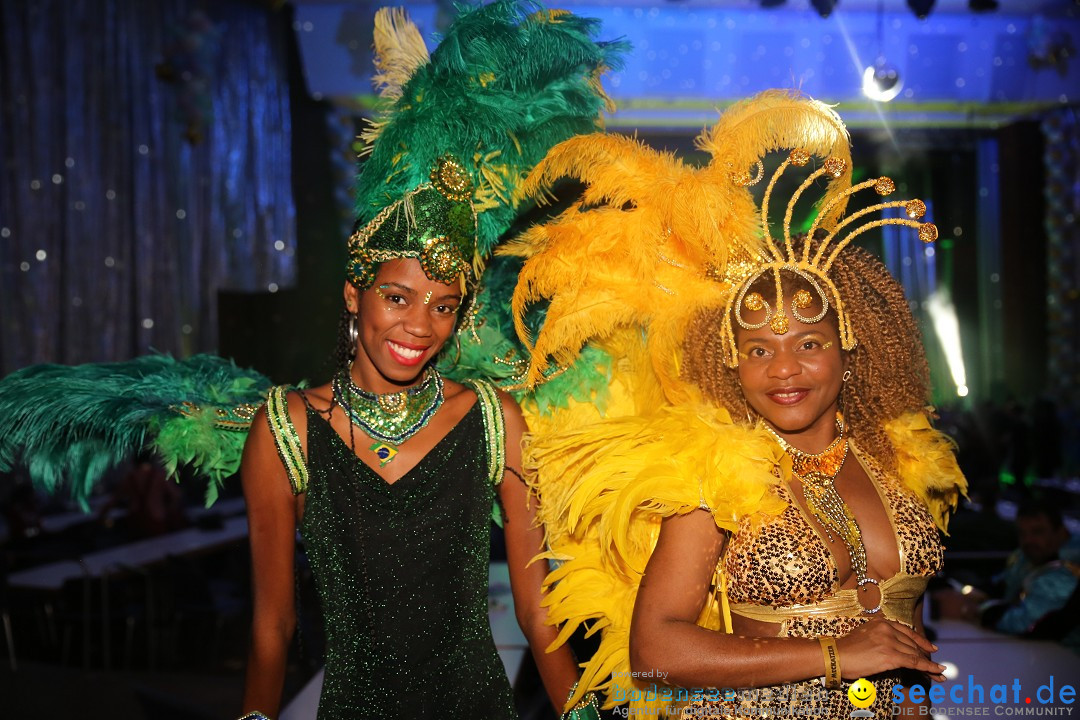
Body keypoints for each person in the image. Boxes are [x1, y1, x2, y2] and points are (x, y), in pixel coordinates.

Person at [504, 91, 967, 718]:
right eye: (757, 350)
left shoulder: (901, 458)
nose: (783, 369)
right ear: (732, 366)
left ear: (850, 348)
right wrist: (834, 655)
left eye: (808, 343)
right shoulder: (714, 472)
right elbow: (656, 648)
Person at [237, 3, 624, 719]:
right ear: (355, 295)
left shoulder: (493, 420)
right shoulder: (285, 432)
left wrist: (580, 714)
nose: (420, 325)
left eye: (444, 305)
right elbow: (272, 629)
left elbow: (541, 619)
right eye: (398, 297)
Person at [935, 499, 1080, 652]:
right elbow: (1002, 583)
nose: (1028, 540)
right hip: (1030, 652)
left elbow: (1026, 623)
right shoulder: (1030, 555)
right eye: (1023, 533)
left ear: (1061, 533)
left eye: (1038, 531)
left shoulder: (1069, 571)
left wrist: (968, 610)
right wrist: (970, 595)